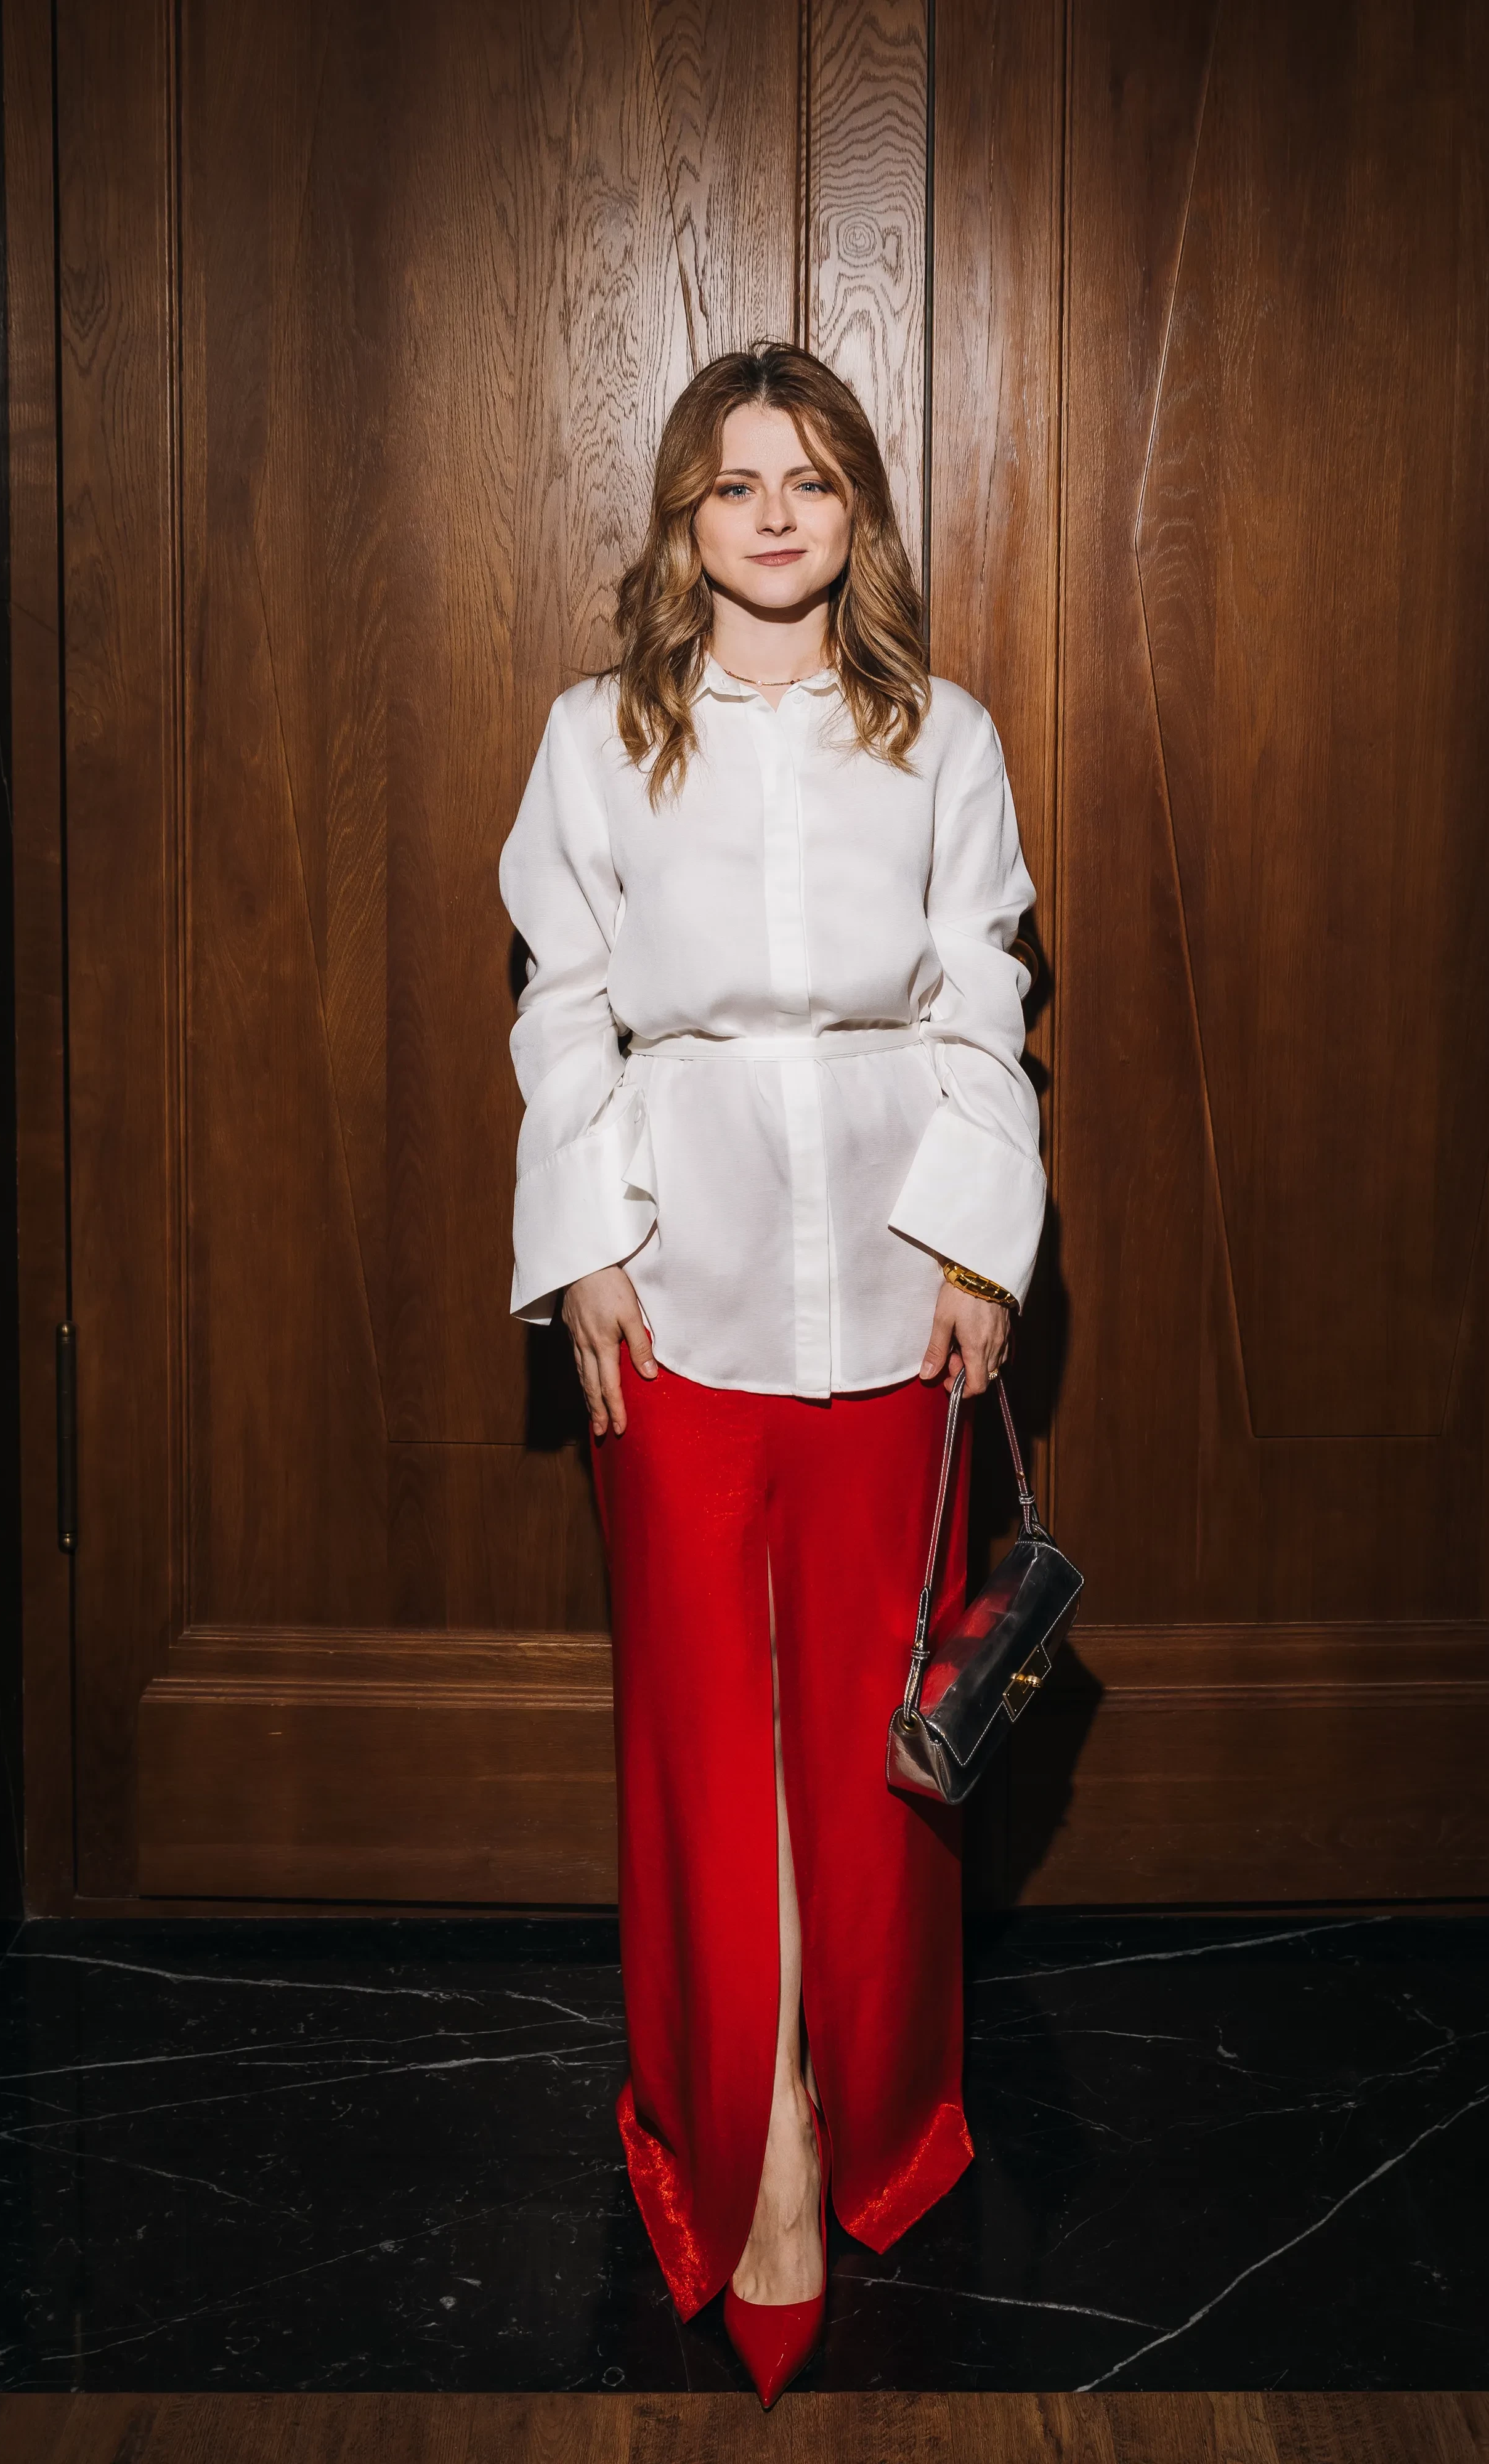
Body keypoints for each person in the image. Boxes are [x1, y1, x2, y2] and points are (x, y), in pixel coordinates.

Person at [497, 341, 1045, 2405]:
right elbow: (563, 1007)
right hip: (677, 1287)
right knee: (713, 1743)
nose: (776, 515)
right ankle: (761, 2143)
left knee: (872, 1741)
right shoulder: (597, 739)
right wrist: (586, 1253)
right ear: (688, 519)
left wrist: (980, 1242)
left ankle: (868, 2104)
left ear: (857, 513)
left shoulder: (943, 735)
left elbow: (983, 1001)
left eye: (811, 480)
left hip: (899, 1288)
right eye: (737, 484)